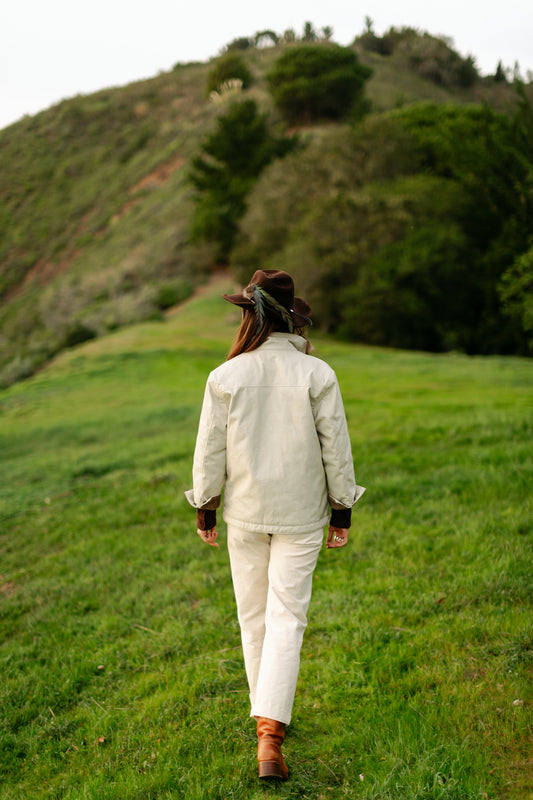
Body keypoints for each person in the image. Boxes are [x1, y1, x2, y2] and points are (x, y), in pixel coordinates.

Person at [185, 269, 365, 780]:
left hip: (244, 514)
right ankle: (271, 732)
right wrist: (342, 510)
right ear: (292, 320)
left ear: (251, 317)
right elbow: (337, 448)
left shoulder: (226, 376)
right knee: (287, 618)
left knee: (255, 619)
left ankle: (268, 726)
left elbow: (209, 451)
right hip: (301, 514)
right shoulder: (318, 373)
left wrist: (206, 507)